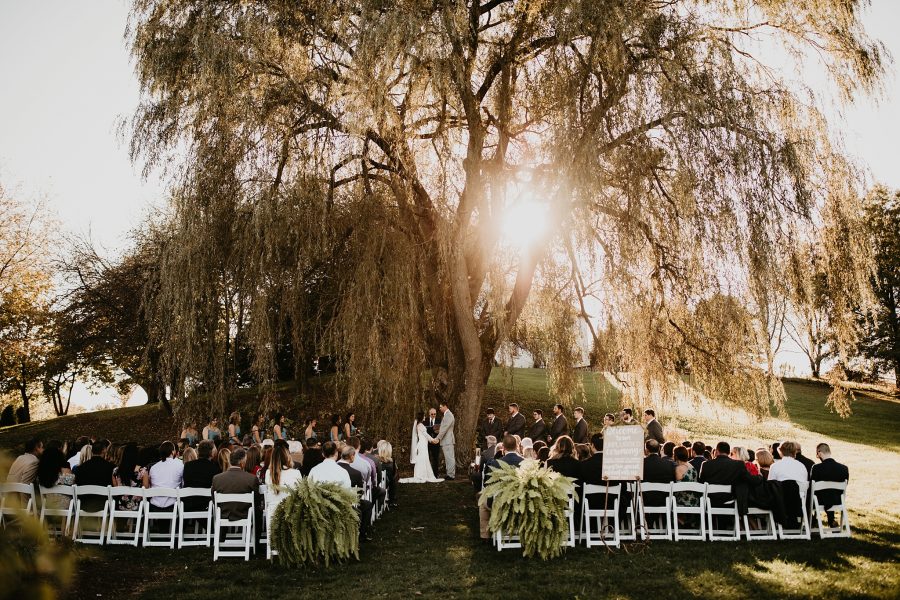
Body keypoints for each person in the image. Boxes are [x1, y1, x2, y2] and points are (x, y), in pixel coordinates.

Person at [479, 435, 525, 541]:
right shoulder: (525, 462)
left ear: (503, 447)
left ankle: (485, 536)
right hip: (521, 502)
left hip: (500, 503)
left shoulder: (495, 463)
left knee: (482, 502)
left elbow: (488, 484)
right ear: (517, 446)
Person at [211, 448, 261, 523]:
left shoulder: (217, 478)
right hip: (244, 514)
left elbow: (214, 500)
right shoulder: (251, 479)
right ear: (242, 461)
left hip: (223, 514)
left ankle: (221, 534)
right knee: (258, 511)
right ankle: (256, 534)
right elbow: (256, 502)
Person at [810, 442, 849, 528]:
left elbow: (812, 487)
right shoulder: (844, 468)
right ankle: (831, 520)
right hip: (838, 501)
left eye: (817, 454)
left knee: (814, 494)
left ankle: (813, 521)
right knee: (829, 493)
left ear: (819, 453)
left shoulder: (816, 468)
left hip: (819, 502)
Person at [401, 412, 444, 483]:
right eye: (424, 416)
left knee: (423, 458)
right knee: (423, 458)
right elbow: (426, 435)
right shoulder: (420, 425)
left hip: (423, 444)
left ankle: (422, 474)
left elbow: (425, 435)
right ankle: (421, 475)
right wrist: (433, 440)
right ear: (421, 417)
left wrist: (432, 440)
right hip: (422, 445)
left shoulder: (419, 425)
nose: (425, 417)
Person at [264, 444, 302, 518]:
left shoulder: (268, 473)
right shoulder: (295, 473)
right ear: (287, 457)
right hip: (291, 512)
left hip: (273, 513)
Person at [181, 440, 220, 511]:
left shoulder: (188, 466)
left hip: (189, 504)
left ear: (198, 452)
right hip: (206, 506)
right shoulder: (215, 468)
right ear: (211, 452)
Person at [145, 441, 183, 510]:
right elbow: (183, 483)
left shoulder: (153, 468)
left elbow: (150, 485)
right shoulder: (180, 464)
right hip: (173, 505)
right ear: (173, 452)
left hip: (154, 506)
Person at [431, 401, 456, 479]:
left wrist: (438, 438)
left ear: (445, 406)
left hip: (448, 440)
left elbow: (445, 428)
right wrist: (437, 430)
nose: (440, 409)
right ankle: (449, 474)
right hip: (446, 440)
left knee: (450, 458)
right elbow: (444, 428)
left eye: (441, 407)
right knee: (448, 458)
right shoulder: (446, 415)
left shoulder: (448, 415)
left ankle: (451, 475)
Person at [424, 407, 441, 476]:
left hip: (436, 442)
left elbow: (440, 431)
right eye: (432, 414)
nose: (433, 415)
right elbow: (424, 431)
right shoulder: (425, 420)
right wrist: (432, 429)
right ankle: (427, 473)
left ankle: (435, 474)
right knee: (427, 457)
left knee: (435, 459)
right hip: (427, 442)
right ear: (429, 414)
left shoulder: (439, 420)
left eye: (435, 414)